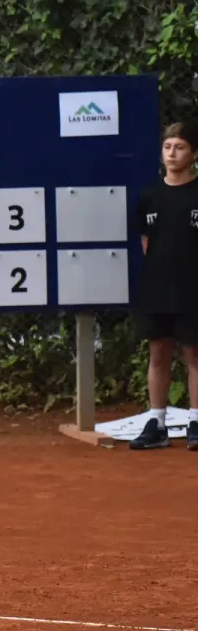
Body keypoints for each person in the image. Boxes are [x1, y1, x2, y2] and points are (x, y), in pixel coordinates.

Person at [130, 121, 198, 451]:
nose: (172, 153)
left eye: (180, 147)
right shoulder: (149, 197)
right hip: (156, 288)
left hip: (193, 290)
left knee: (194, 355)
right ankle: (157, 423)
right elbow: (147, 244)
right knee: (157, 355)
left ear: (194, 154)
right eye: (168, 147)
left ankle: (196, 422)